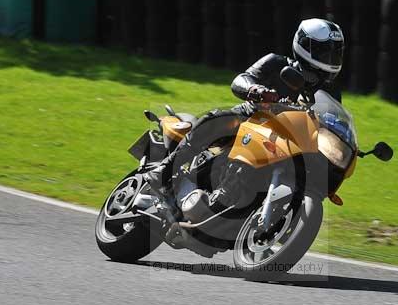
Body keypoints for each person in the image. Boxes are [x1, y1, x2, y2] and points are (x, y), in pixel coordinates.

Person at [142, 18, 345, 202]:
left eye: (335, 53)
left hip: (288, 140)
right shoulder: (276, 63)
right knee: (219, 120)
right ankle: (164, 171)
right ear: (304, 46)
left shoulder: (330, 91)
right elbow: (241, 80)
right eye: (325, 53)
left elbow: (331, 121)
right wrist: (257, 90)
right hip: (252, 118)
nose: (331, 59)